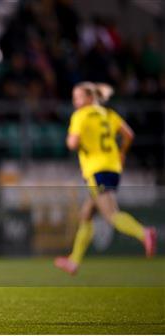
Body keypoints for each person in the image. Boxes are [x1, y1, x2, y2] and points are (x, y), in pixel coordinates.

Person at [55, 82, 157, 275]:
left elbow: (72, 143)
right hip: (113, 167)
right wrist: (122, 152)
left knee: (110, 214)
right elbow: (129, 135)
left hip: (96, 170)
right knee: (86, 213)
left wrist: (72, 140)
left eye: (78, 97)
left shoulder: (80, 115)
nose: (75, 101)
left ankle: (143, 233)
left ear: (90, 98)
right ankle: (74, 262)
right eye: (74, 97)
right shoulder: (109, 114)